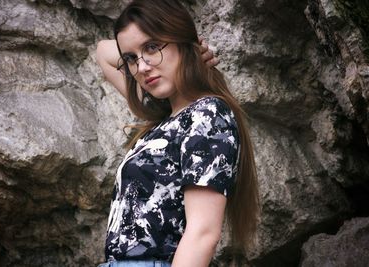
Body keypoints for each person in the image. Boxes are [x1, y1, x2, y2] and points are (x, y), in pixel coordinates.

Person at [96, 0, 259, 266]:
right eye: (131, 59)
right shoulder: (164, 119)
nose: (143, 67)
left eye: (152, 47)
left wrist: (192, 47)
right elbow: (102, 52)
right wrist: (146, 49)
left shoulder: (207, 115)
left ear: (180, 40)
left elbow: (203, 233)